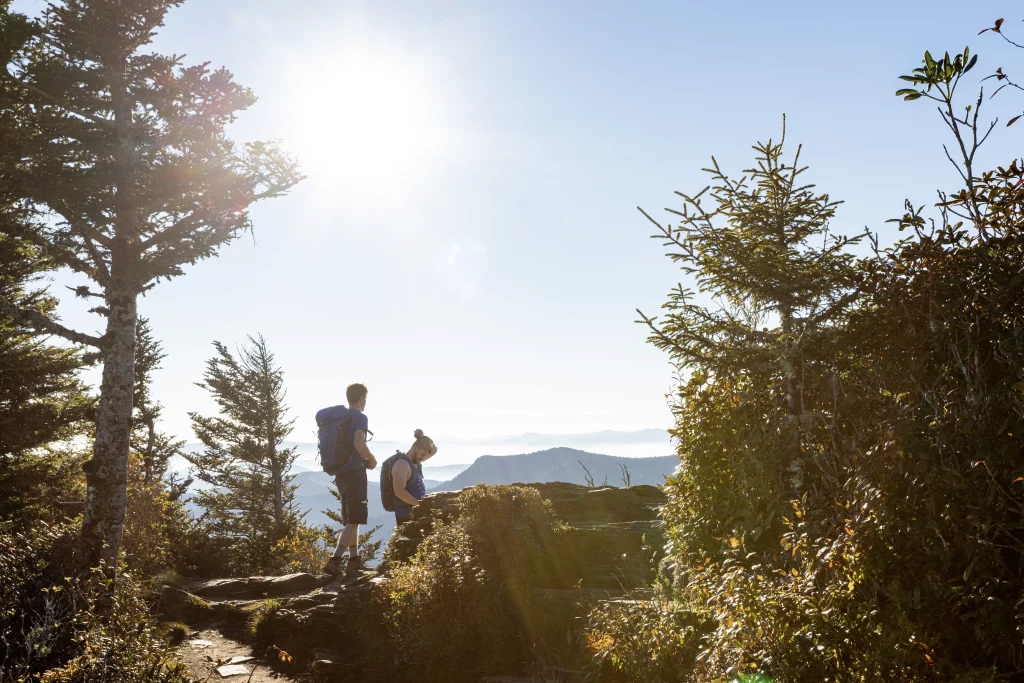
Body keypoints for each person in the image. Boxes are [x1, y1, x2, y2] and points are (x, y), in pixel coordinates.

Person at [324, 383, 378, 577]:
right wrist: (372, 460)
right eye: (366, 399)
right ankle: (335, 560)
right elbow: (359, 444)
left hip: (340, 472)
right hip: (355, 471)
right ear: (362, 398)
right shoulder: (359, 417)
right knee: (354, 518)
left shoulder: (341, 418)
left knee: (351, 518)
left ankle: (354, 560)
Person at [391, 429, 437, 525]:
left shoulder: (415, 462)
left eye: (425, 456)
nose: (423, 458)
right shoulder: (402, 464)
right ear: (415, 449)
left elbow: (434, 450)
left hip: (416, 512)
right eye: (422, 454)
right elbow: (399, 491)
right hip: (405, 515)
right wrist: (419, 505)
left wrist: (423, 437)